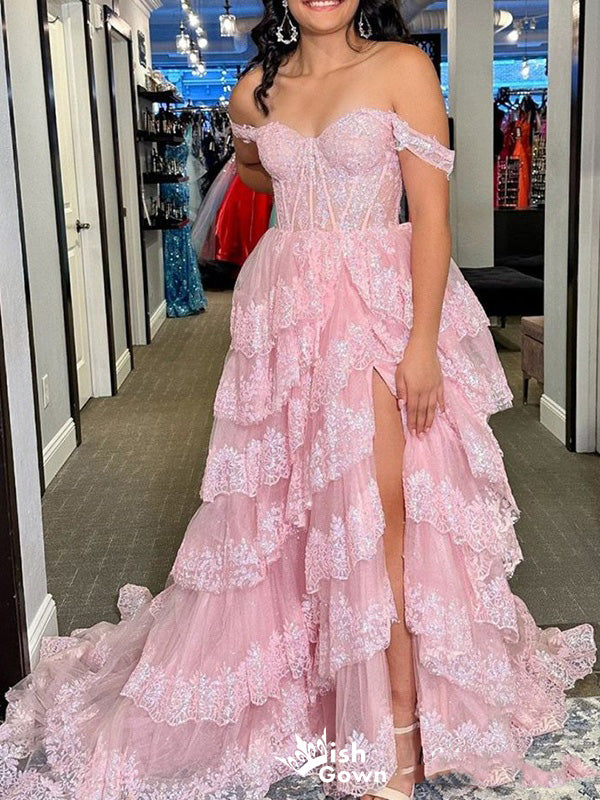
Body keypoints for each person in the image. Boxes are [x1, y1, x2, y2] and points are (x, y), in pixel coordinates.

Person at [0, 2, 596, 799]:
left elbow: (430, 217)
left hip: (374, 311)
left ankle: (397, 730)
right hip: (285, 313)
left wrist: (422, 343)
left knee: (378, 514)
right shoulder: (254, 89)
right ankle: (321, 691)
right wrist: (290, 184)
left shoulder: (402, 67)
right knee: (288, 509)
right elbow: (253, 171)